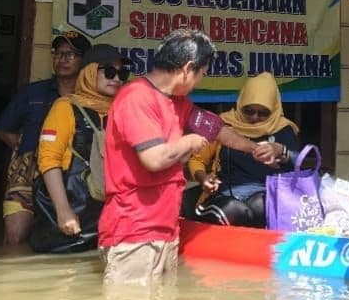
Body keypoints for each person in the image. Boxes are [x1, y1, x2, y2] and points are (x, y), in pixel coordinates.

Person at [97, 29, 275, 286]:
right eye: (202, 73)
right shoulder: (136, 97)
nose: (200, 80)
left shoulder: (178, 102)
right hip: (135, 230)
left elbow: (218, 131)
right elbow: (154, 159)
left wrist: (253, 149)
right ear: (188, 68)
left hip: (165, 227)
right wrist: (189, 142)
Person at [29, 44, 129, 253]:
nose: (117, 78)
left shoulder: (124, 111)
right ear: (90, 72)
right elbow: (49, 160)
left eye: (122, 73)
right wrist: (63, 211)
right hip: (70, 218)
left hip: (110, 221)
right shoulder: (65, 108)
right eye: (109, 71)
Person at [0, 30, 91, 245]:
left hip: (73, 177)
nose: (61, 59)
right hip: (26, 177)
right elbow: (4, 130)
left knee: (70, 237)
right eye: (58, 53)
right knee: (14, 237)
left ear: (85, 62)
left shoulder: (90, 99)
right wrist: (26, 153)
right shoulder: (33, 93)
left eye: (70, 55)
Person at [183, 72, 299, 228]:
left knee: (262, 206)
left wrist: (282, 151)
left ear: (274, 109)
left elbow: (299, 163)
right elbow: (197, 160)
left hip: (263, 193)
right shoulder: (222, 124)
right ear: (240, 104)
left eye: (263, 113)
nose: (255, 117)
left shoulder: (283, 129)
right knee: (234, 210)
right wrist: (203, 178)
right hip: (224, 194)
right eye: (249, 111)